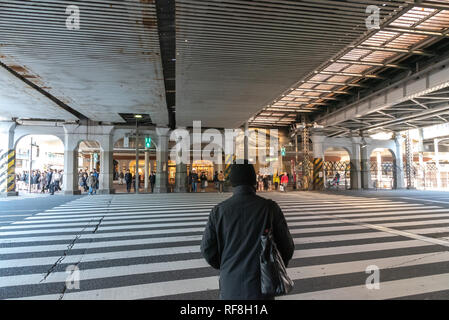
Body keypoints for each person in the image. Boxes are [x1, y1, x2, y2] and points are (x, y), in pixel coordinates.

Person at [201, 162, 294, 300]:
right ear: (254, 181)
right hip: (262, 285)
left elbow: (207, 249)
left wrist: (227, 264)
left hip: (230, 285)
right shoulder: (270, 208)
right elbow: (287, 247)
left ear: (232, 182)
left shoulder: (219, 211)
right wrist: (271, 264)